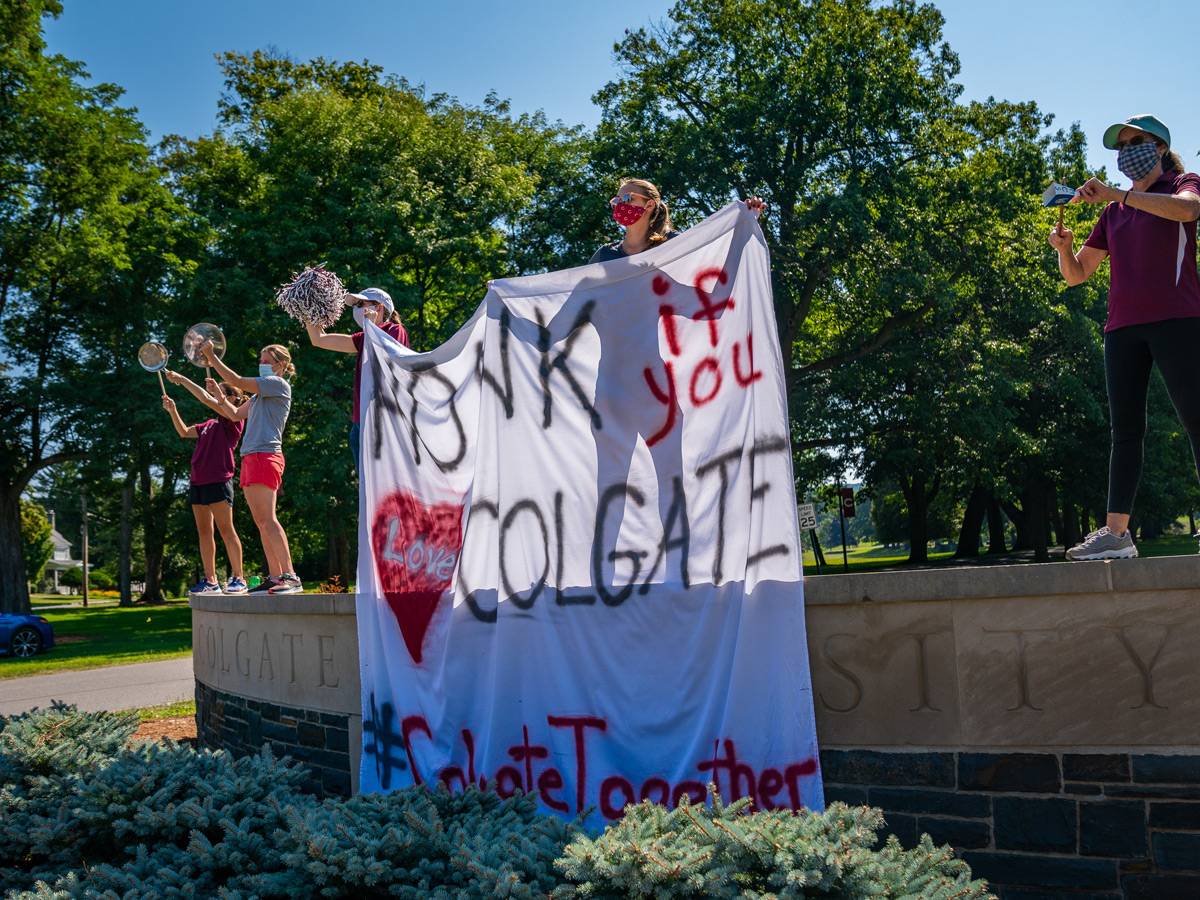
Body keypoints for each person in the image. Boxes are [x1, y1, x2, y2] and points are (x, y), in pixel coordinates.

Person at [1048, 114, 1200, 560]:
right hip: (1122, 329)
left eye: (1135, 143)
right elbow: (1077, 274)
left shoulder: (1182, 184)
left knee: (1196, 420)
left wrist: (1118, 193)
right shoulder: (1112, 214)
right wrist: (1064, 250)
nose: (1126, 153)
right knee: (1125, 431)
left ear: (1159, 147)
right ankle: (1117, 536)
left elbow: (1188, 211)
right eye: (1121, 147)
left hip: (1179, 320)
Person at [200, 340, 304, 593]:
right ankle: (276, 576)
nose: (262, 364)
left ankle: (290, 576)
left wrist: (212, 357)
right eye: (260, 360)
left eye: (267, 361)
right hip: (251, 457)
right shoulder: (259, 396)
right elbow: (235, 414)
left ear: (281, 365)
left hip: (265, 456)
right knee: (261, 522)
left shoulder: (277, 384)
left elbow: (235, 379)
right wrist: (219, 396)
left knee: (268, 519)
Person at [160, 373, 248, 593]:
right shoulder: (208, 424)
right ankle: (211, 581)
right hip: (198, 481)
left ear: (233, 398)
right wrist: (173, 411)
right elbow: (183, 432)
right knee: (204, 532)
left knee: (226, 530)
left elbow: (205, 398)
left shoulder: (233, 420)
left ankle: (239, 578)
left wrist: (183, 380)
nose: (214, 394)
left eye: (221, 391)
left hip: (219, 480)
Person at [304, 287, 409, 470]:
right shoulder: (363, 338)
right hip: (361, 421)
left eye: (361, 304)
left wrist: (370, 325)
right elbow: (319, 339)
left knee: (385, 482)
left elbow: (386, 356)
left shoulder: (395, 329)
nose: (357, 309)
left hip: (384, 420)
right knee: (366, 484)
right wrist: (306, 306)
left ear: (379, 308)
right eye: (357, 305)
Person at [588, 178, 766, 264]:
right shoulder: (604, 255)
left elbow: (717, 259)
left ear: (649, 205)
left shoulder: (673, 245)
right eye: (616, 201)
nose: (620, 205)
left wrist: (746, 220)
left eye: (627, 198)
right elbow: (579, 301)